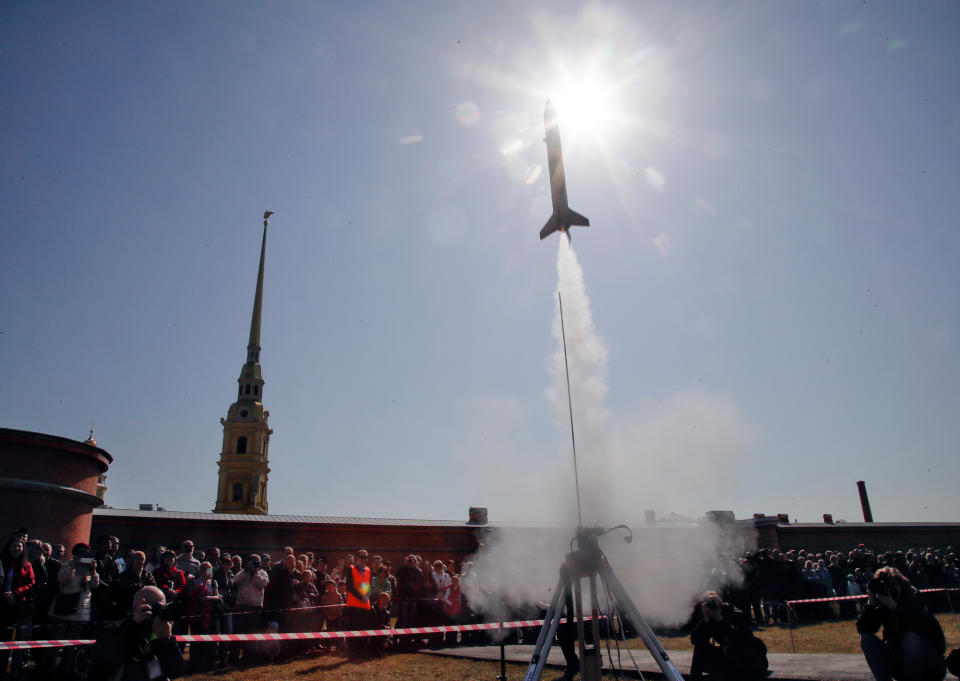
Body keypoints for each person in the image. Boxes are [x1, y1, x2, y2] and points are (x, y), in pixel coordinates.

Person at [857, 567, 946, 681]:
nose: (890, 590)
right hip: (901, 663)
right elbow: (864, 629)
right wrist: (871, 604)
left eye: (892, 585)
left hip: (930, 664)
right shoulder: (883, 604)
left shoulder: (914, 597)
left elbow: (921, 627)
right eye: (886, 587)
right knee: (866, 639)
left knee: (910, 637)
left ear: (901, 584)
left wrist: (895, 608)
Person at [87, 585, 185, 681]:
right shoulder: (114, 630)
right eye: (150, 607)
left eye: (159, 607)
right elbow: (104, 668)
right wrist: (133, 626)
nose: (154, 613)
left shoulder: (159, 632)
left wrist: (167, 641)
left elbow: (175, 672)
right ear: (135, 608)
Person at [689, 590, 768, 681]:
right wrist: (705, 621)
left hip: (750, 658)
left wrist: (720, 620)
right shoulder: (709, 618)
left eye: (714, 601)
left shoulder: (734, 613)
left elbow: (743, 639)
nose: (712, 605)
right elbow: (695, 640)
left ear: (720, 602)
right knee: (699, 648)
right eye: (708, 603)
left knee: (735, 649)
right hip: (728, 658)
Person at [343, 549, 374, 655]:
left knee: (364, 627)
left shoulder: (369, 570)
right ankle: (352, 649)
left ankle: (362, 648)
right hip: (354, 604)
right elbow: (350, 587)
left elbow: (367, 586)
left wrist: (367, 596)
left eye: (365, 557)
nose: (364, 559)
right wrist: (361, 597)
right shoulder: (350, 569)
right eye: (362, 557)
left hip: (365, 604)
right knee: (354, 627)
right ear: (357, 557)